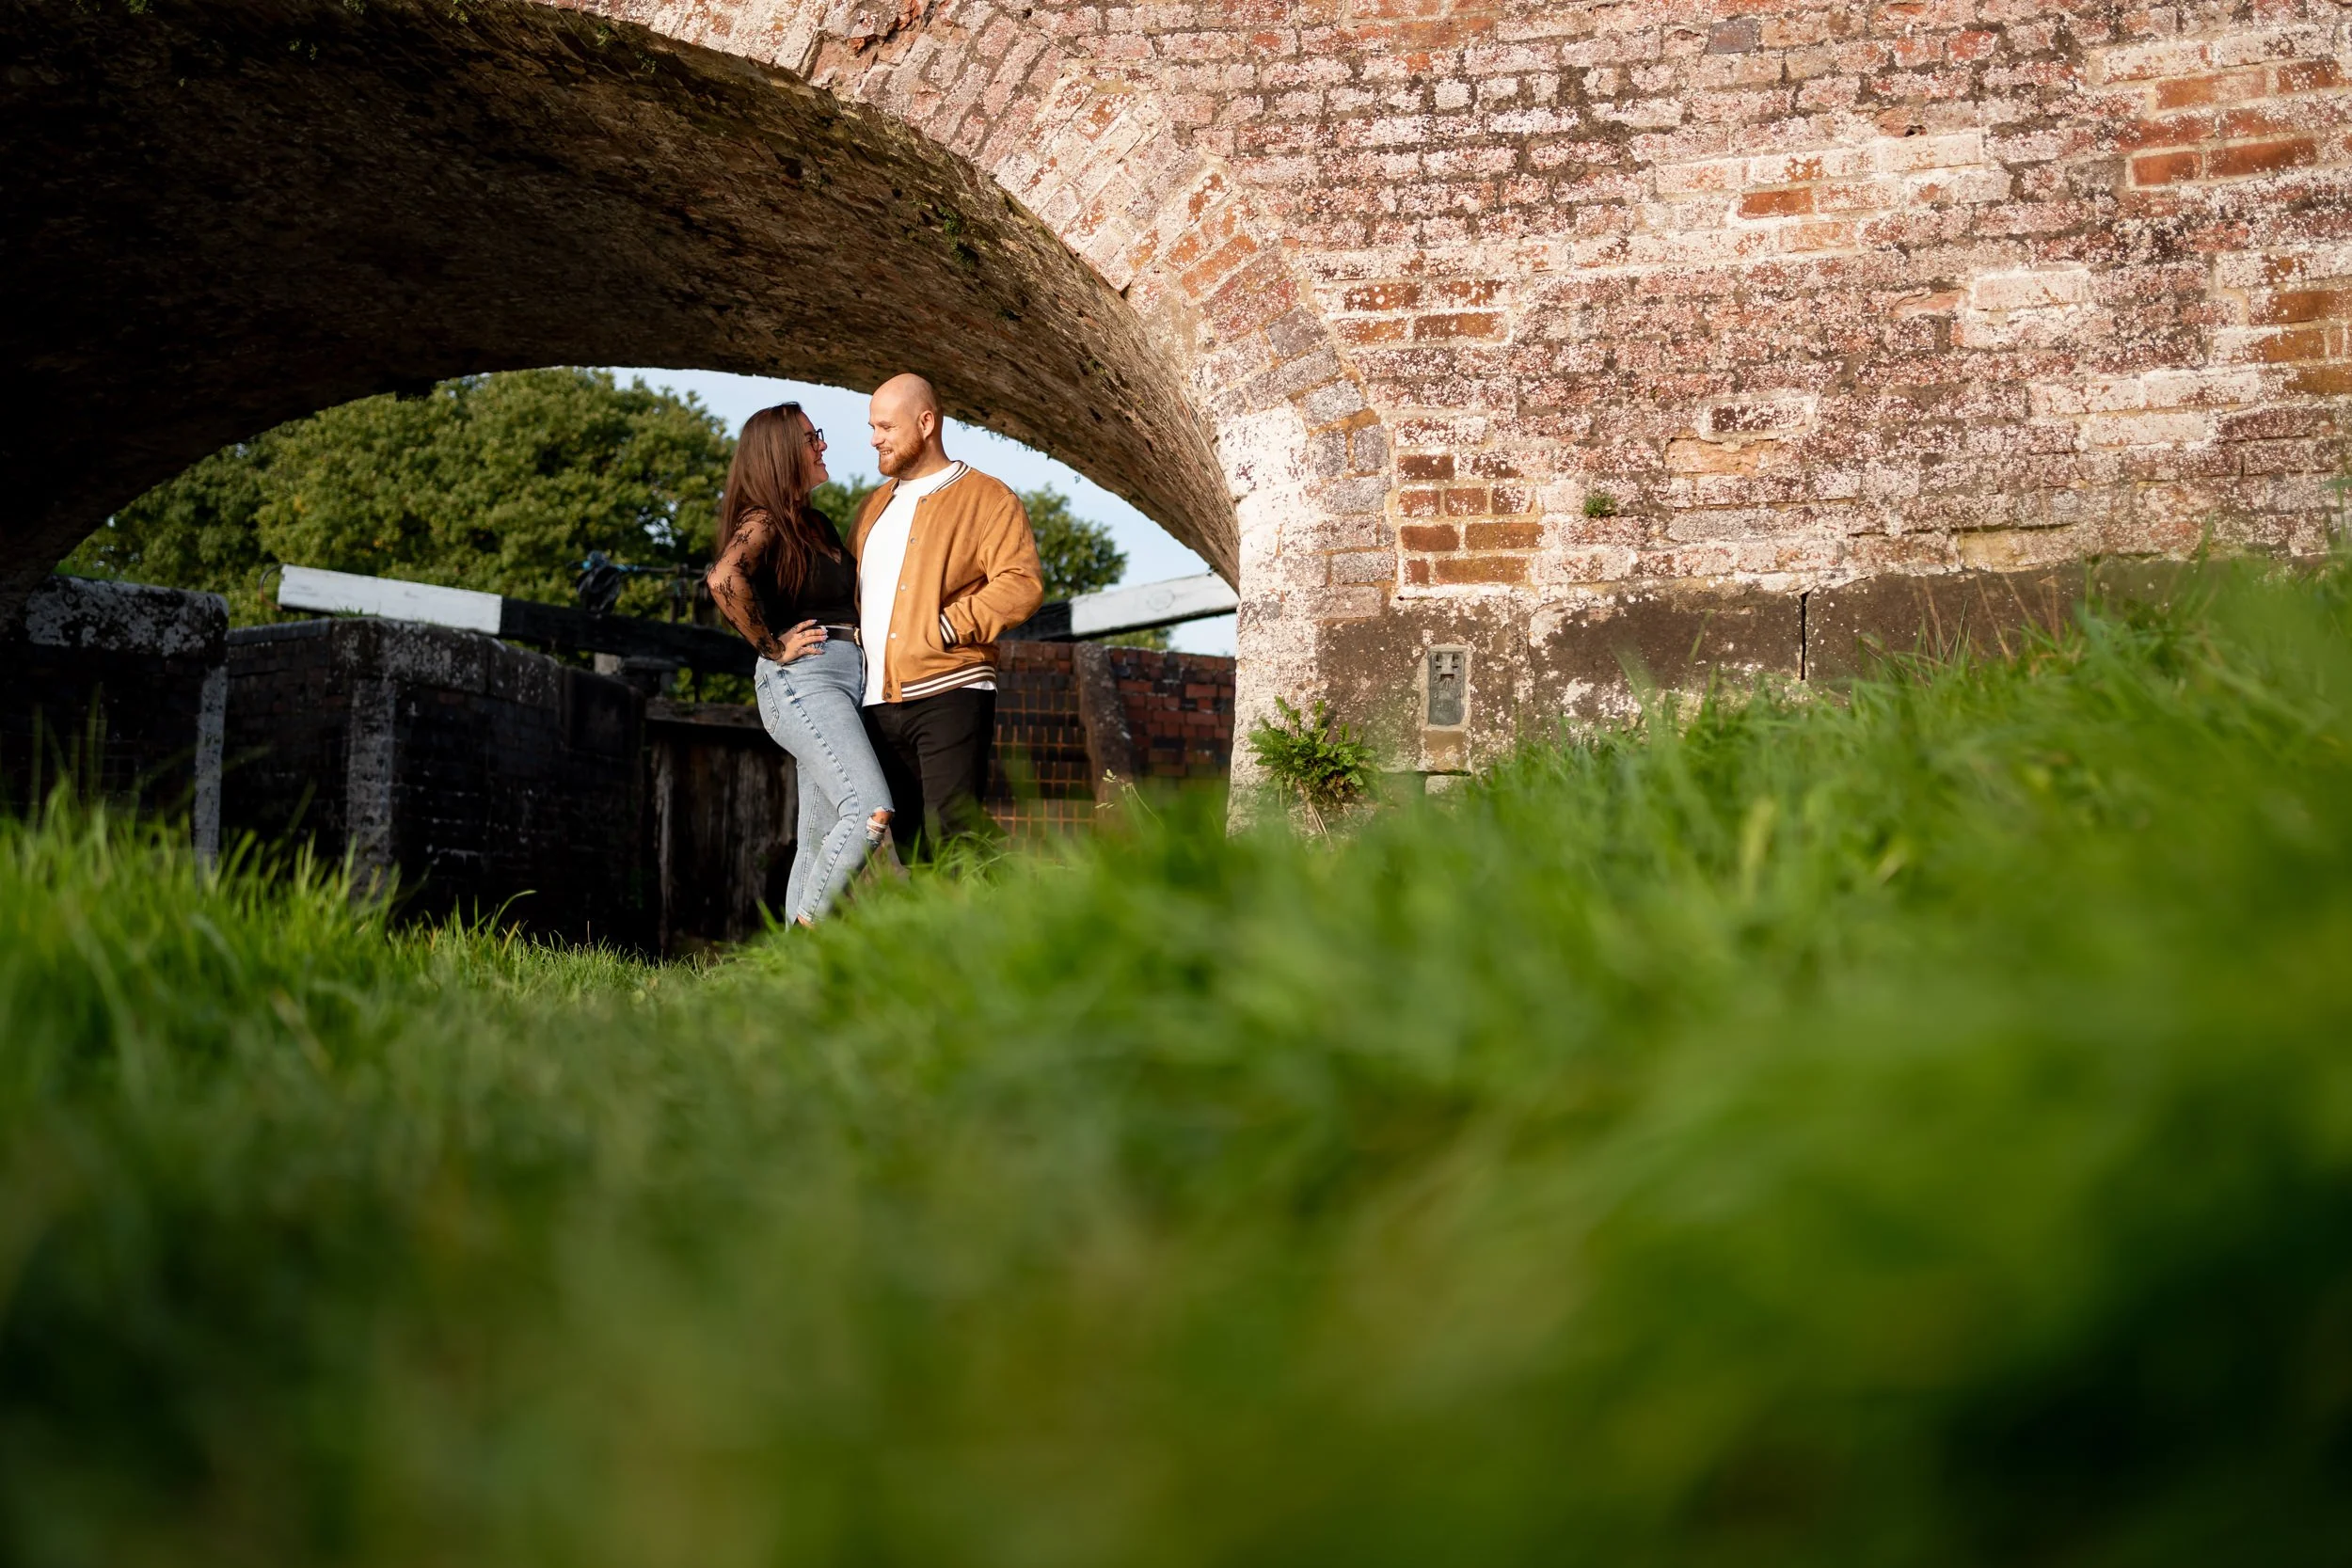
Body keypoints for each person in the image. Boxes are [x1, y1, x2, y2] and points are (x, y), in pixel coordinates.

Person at [707, 404, 893, 926]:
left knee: (817, 836)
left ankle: (790, 981)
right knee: (868, 809)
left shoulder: (816, 524)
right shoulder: (762, 520)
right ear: (781, 452)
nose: (823, 445)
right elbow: (724, 579)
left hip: (840, 683)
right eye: (813, 438)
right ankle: (807, 939)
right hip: (803, 680)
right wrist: (771, 646)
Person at [853, 373, 1044, 859]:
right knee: (914, 847)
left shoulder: (988, 498)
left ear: (926, 423)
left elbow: (1021, 583)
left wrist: (947, 626)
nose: (874, 438)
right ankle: (937, 937)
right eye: (872, 427)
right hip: (877, 698)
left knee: (957, 835)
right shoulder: (872, 506)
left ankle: (998, 934)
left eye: (885, 427)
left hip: (950, 687)